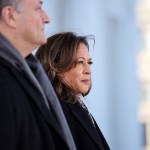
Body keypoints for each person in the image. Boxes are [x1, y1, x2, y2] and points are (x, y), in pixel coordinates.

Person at [0, 0, 76, 150]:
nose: (47, 18)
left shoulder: (30, 74)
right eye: (38, 8)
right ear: (10, 16)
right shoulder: (4, 82)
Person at [36, 32, 110, 150]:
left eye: (89, 62)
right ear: (56, 66)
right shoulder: (55, 113)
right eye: (80, 62)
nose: (88, 70)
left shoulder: (77, 105)